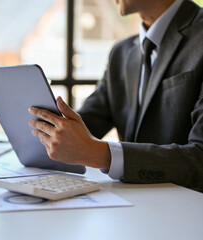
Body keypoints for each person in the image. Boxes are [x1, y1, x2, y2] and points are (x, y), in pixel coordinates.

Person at [28, 0, 203, 192]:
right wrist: (48, 126)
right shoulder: (122, 53)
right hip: (130, 207)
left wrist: (103, 155)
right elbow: (86, 124)